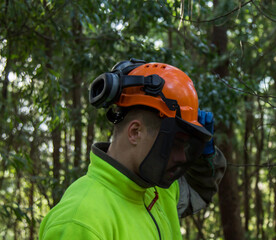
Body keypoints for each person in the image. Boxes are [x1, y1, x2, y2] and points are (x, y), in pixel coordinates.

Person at [39, 58, 226, 239]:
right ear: (135, 132)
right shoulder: (80, 221)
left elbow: (198, 190)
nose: (182, 157)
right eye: (175, 143)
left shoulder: (157, 189)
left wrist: (204, 158)